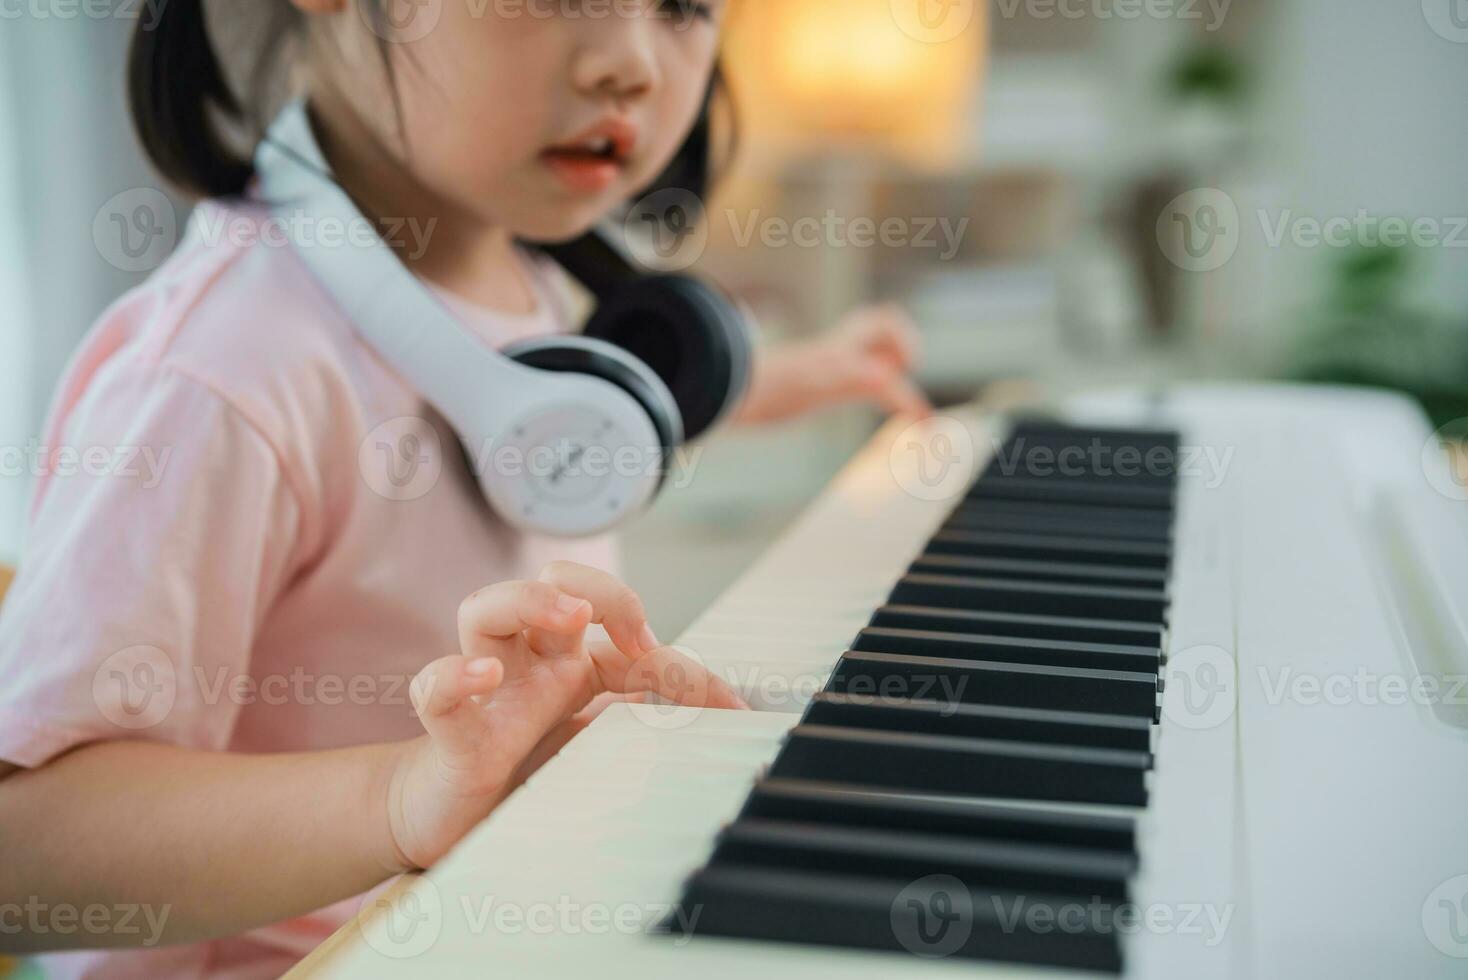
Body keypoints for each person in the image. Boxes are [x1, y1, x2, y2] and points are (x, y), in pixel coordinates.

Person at [0, 2, 928, 976]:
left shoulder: (516, 258)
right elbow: (22, 852)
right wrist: (402, 796)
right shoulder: (219, 375)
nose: (634, 67)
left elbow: (550, 403)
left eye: (687, 7)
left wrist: (784, 376)